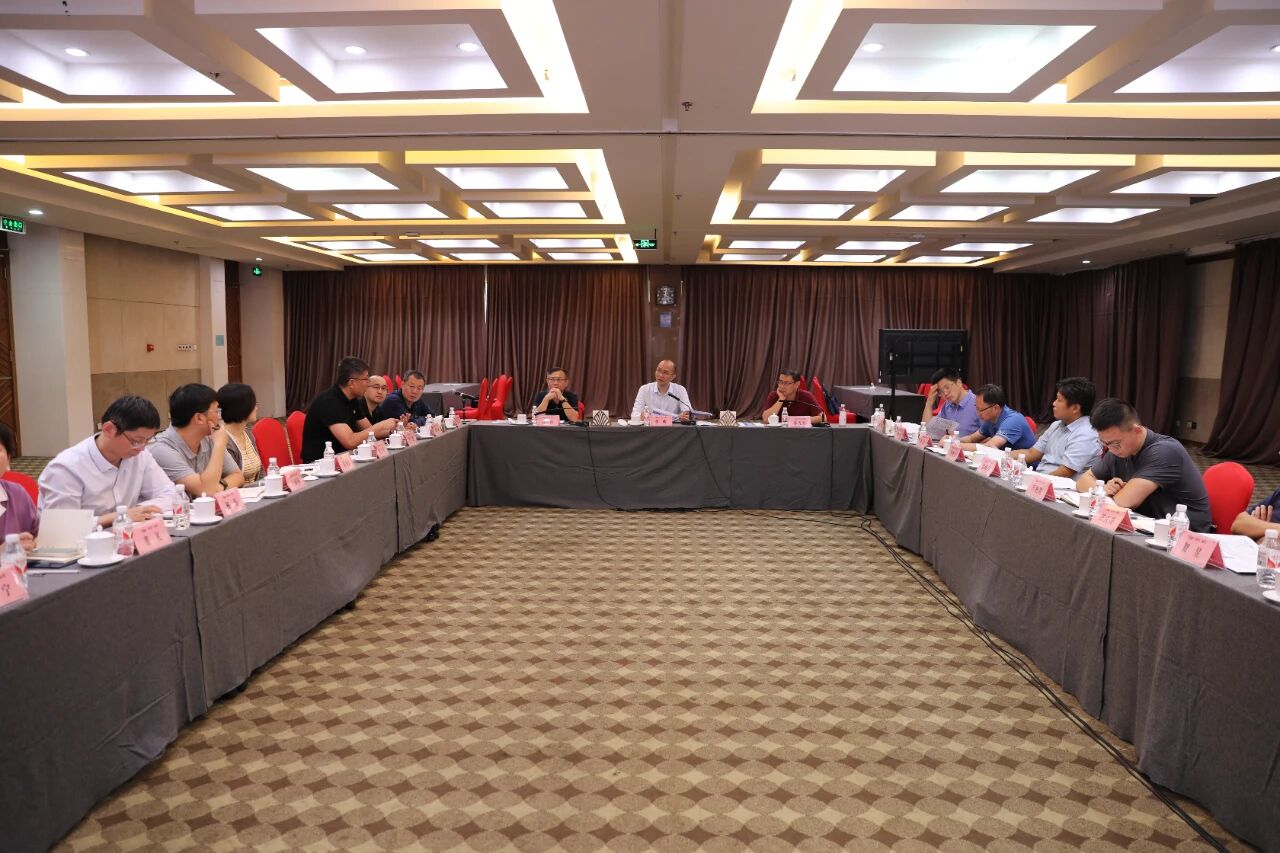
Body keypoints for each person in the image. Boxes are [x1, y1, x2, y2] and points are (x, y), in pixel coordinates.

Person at [38, 395, 178, 528]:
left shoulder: (140, 455)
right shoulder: (66, 468)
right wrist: (119, 516)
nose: (142, 448)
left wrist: (139, 511)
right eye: (136, 441)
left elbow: (170, 494)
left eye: (147, 440)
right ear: (108, 429)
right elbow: (60, 527)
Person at [1076, 398, 1211, 532]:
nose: (1110, 449)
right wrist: (1104, 489)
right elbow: (1082, 481)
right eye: (1104, 443)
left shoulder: (1165, 451)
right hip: (1147, 524)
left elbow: (1124, 502)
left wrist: (1106, 493)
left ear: (1137, 430)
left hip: (1183, 532)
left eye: (1115, 443)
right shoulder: (1117, 449)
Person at [149, 384, 245, 498]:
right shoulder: (161, 449)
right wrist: (219, 445)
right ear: (199, 418)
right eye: (216, 411)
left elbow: (238, 476)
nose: (220, 417)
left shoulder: (209, 437)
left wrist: (219, 487)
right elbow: (205, 491)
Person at [300, 356, 399, 462]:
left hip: (345, 458)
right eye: (366, 379)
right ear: (351, 383)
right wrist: (381, 425)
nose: (368, 384)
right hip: (322, 463)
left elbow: (369, 430)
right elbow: (350, 441)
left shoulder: (353, 399)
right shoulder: (329, 401)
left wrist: (393, 431)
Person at [1014, 377, 1101, 480]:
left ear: (1075, 408)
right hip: (1042, 479)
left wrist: (1034, 481)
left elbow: (1065, 472)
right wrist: (1003, 455)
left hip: (1061, 486)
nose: (1054, 403)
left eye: (1059, 400)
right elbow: (1032, 453)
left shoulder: (1087, 434)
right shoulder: (1056, 425)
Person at [957, 384, 1036, 451]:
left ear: (995, 408)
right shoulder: (990, 419)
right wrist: (955, 441)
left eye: (980, 410)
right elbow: (971, 438)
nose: (978, 414)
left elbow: (988, 447)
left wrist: (956, 445)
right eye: (976, 408)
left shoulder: (1013, 420)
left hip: (1025, 463)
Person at [0, 423, 37, 550]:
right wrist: (4, 550)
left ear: (8, 458)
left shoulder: (17, 493)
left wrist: (35, 542)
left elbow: (38, 534)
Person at [217, 382, 263, 483]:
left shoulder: (248, 433)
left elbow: (260, 471)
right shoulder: (224, 440)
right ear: (243, 407)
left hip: (256, 491)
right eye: (254, 404)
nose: (256, 408)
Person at [921, 367, 980, 436]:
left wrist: (965, 441)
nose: (945, 393)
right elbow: (928, 430)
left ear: (959, 383)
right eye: (940, 392)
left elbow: (988, 435)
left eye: (947, 387)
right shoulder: (947, 406)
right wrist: (929, 403)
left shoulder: (977, 403)